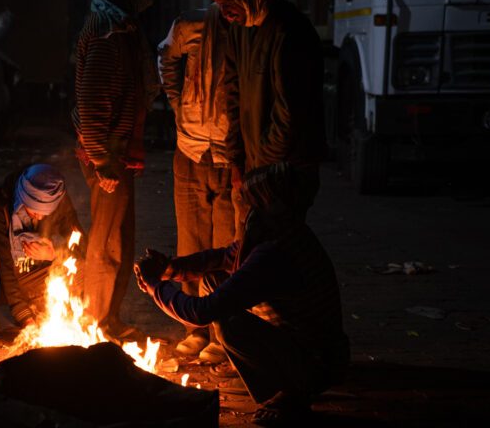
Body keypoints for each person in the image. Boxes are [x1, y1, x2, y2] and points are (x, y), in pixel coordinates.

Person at [134, 163, 349, 425]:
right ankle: (256, 370)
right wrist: (171, 269)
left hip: (314, 363)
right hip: (304, 347)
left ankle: (288, 394)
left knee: (230, 324)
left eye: (253, 203)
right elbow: (223, 257)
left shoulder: (275, 252)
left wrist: (155, 285)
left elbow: (201, 312)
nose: (248, 212)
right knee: (214, 279)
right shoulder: (284, 231)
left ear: (270, 205)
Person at [72, 0, 158, 342]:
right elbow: (92, 103)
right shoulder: (107, 32)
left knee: (119, 238)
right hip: (106, 154)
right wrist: (103, 160)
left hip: (116, 152)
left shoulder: (120, 27)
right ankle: (96, 321)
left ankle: (107, 318)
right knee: (107, 242)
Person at [208, 0, 327, 217]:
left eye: (227, 1)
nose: (224, 13)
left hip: (288, 171)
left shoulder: (290, 32)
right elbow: (233, 97)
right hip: (256, 169)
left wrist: (257, 169)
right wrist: (237, 161)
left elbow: (289, 116)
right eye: (218, 3)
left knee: (274, 248)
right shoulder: (240, 30)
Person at [157, 2, 242, 363]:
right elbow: (165, 57)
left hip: (230, 154)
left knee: (226, 246)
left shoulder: (247, 32)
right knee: (190, 241)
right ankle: (194, 328)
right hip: (190, 150)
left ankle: (223, 334)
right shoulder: (189, 26)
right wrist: (178, 103)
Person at [0, 164, 86, 341]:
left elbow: (81, 243)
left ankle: (57, 316)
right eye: (34, 211)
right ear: (23, 198)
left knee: (82, 265)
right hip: (0, 280)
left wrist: (54, 253)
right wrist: (24, 317)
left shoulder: (59, 199)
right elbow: (5, 266)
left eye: (45, 213)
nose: (39, 217)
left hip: (33, 276)